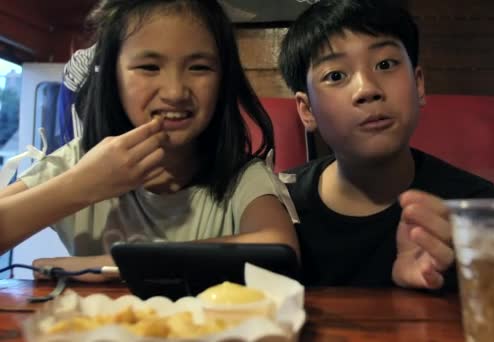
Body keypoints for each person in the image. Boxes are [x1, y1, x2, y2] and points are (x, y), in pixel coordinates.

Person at [0, 0, 299, 281]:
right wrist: (83, 184)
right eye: (149, 67)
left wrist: (103, 265)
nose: (175, 92)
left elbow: (278, 248)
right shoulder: (79, 162)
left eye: (199, 67)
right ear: (112, 76)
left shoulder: (241, 177)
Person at [278, 0, 494, 289]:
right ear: (307, 110)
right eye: (336, 76)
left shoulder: (475, 206)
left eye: (385, 64)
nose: (367, 89)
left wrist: (455, 273)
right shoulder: (279, 208)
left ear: (418, 84)